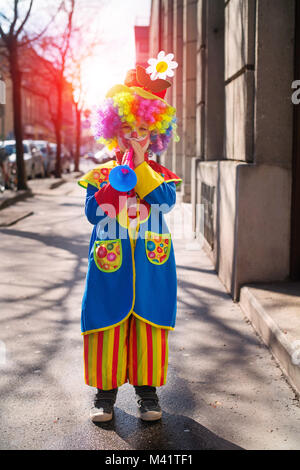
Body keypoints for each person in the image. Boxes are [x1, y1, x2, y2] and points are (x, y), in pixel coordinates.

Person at [78, 53, 182, 423]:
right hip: (110, 262)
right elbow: (92, 213)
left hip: (152, 262)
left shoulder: (161, 175)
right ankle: (104, 396)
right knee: (106, 324)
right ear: (115, 131)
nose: (135, 137)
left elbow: (165, 203)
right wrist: (116, 176)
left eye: (143, 130)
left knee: (150, 327)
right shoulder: (100, 174)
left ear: (154, 134)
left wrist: (140, 169)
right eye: (128, 130)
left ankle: (148, 395)